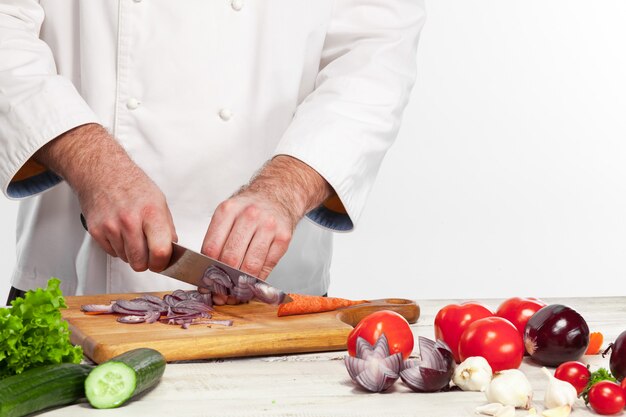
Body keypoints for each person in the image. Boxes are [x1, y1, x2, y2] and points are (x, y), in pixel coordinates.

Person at [0, 0, 425, 304]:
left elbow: (376, 51)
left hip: (271, 298)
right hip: (75, 283)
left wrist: (290, 184)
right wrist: (91, 160)